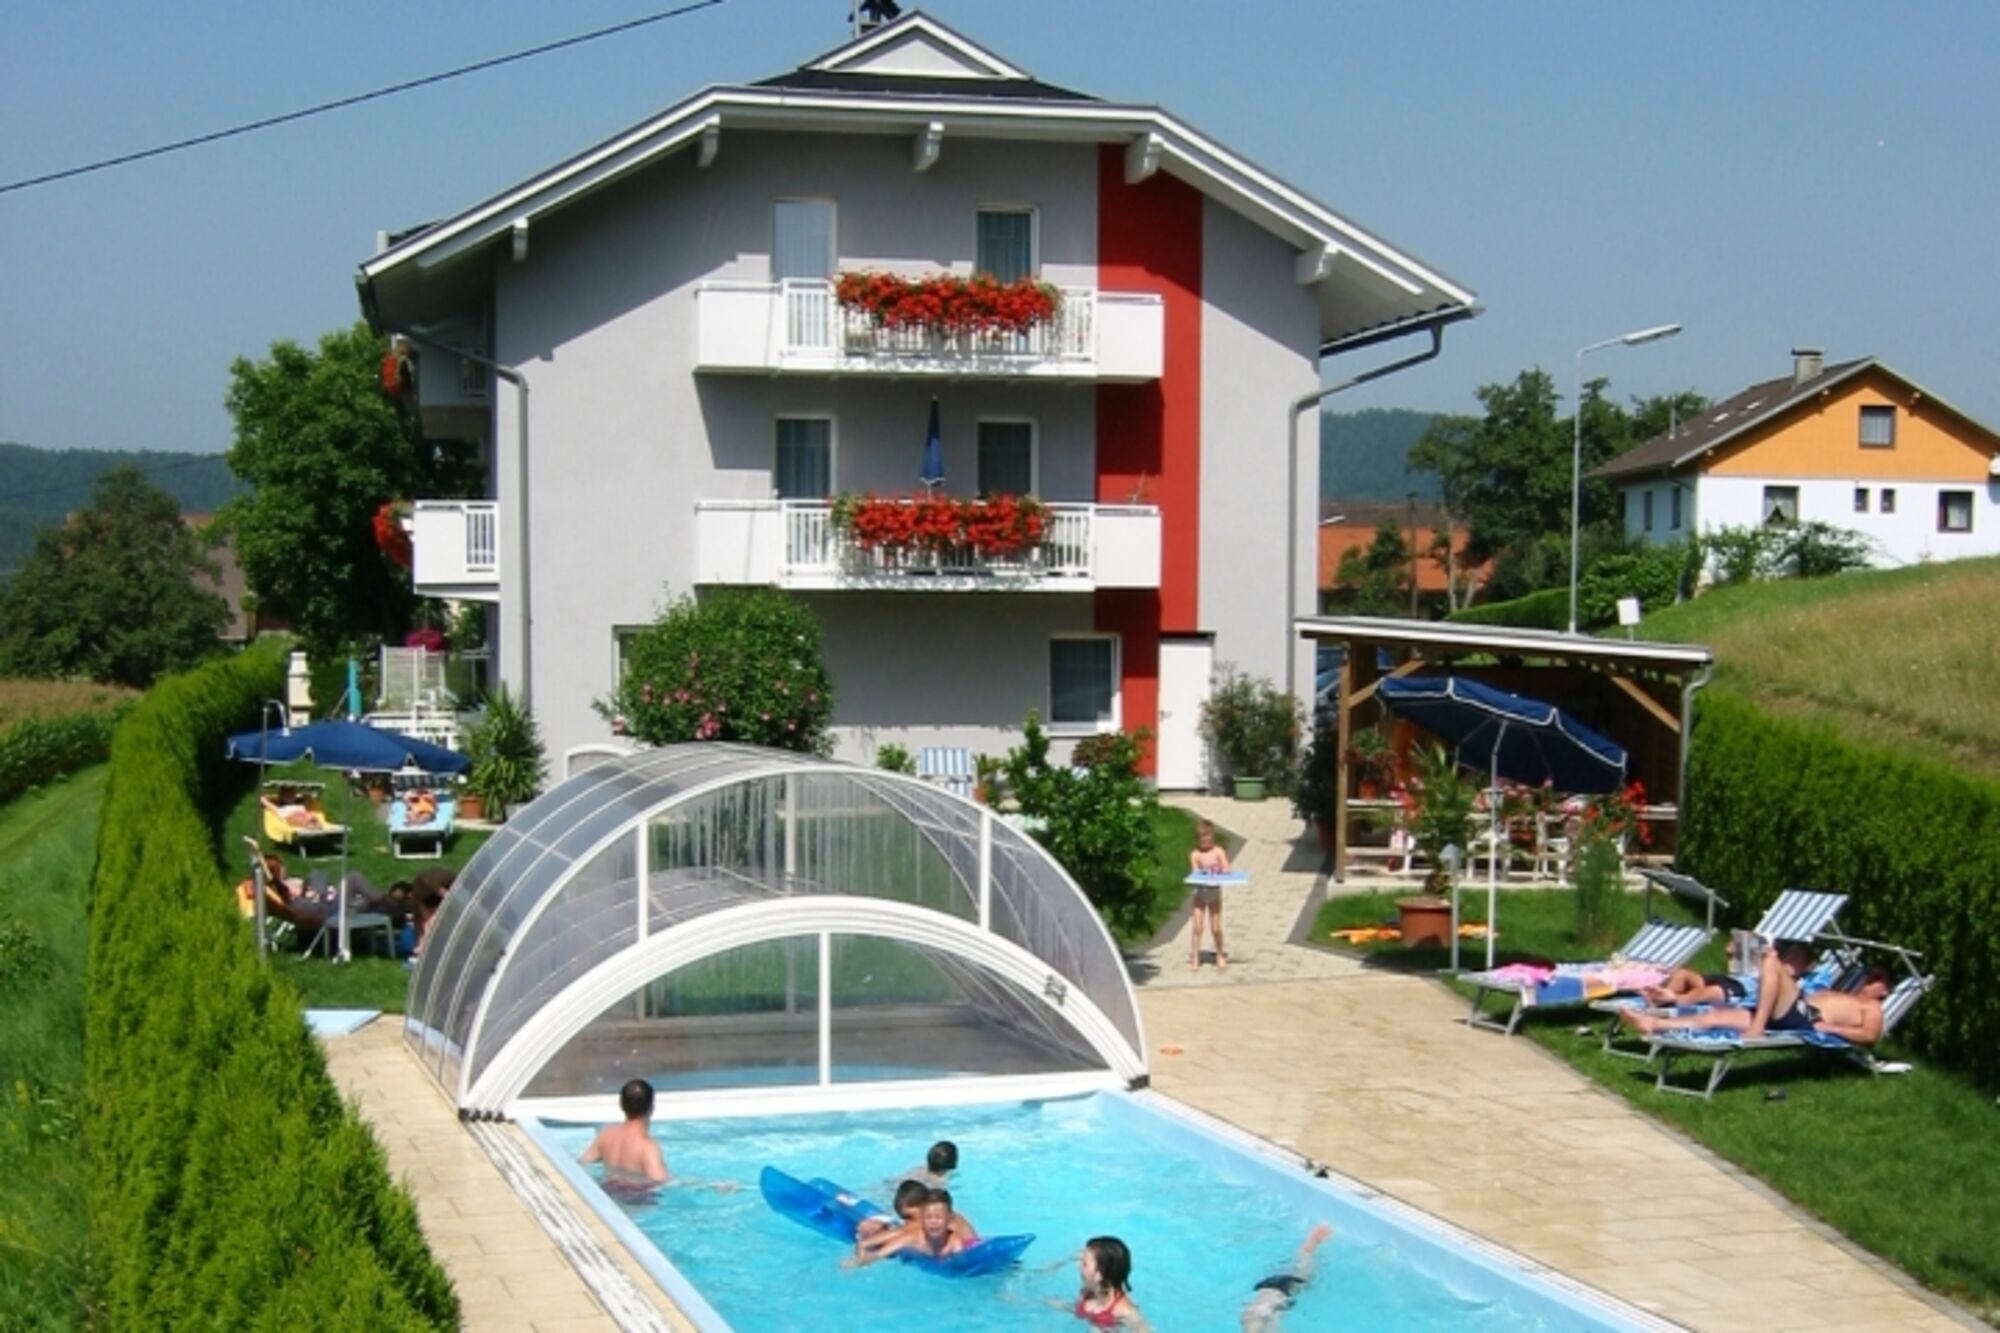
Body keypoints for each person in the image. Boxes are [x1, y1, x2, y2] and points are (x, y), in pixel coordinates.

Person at [1621, 948, 1893, 1044]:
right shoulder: (1844, 992)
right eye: (1868, 974)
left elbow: (1870, 1036)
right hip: (1792, 1010)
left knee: (1771, 959)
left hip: (1806, 1018)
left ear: (1885, 991)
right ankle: (1653, 1024)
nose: (1867, 979)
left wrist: (1833, 1029)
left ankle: (1758, 1028)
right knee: (1715, 1016)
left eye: (1875, 978)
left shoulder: (1871, 1007)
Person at [1640, 940, 1809, 1009]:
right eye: (1790, 957)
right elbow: (1734, 971)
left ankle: (1671, 999)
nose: (1790, 961)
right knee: (1682, 974)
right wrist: (1731, 955)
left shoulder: (1795, 985)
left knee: (1707, 993)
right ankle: (1658, 1001)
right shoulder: (1775, 958)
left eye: (1795, 959)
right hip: (1731, 980)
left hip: (1742, 989)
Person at [580, 1078, 669, 1197]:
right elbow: (660, 1181)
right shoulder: (647, 1147)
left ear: (621, 1105)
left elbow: (581, 1164)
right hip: (636, 1201)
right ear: (651, 1109)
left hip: (608, 1194)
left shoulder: (605, 1136)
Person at [1240, 1224, 1332, 1332]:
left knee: (1304, 1269)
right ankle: (1315, 1238)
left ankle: (1316, 1236)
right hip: (1267, 1292)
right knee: (1301, 1268)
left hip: (1280, 1292)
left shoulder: (1263, 1316)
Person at [847, 1188, 968, 1266]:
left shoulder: (954, 1241)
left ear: (949, 1219)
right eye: (928, 1217)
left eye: (939, 1217)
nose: (933, 1222)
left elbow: (961, 1265)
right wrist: (858, 1262)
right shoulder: (911, 1238)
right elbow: (869, 1248)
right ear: (922, 1218)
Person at [1072, 1236, 1144, 1328]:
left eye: (1084, 1264)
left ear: (1099, 1275)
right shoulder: (1086, 1292)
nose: (1078, 1266)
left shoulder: (1124, 1311)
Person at [1187, 819, 1230, 970]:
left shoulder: (1218, 851)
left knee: (1216, 927)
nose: (1205, 840)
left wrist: (1220, 870)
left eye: (1208, 836)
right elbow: (1195, 872)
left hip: (1214, 893)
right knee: (1197, 927)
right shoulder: (1195, 854)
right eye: (1202, 837)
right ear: (1197, 838)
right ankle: (1195, 957)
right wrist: (1202, 874)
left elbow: (1226, 868)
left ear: (1212, 836)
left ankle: (1219, 954)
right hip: (1200, 893)